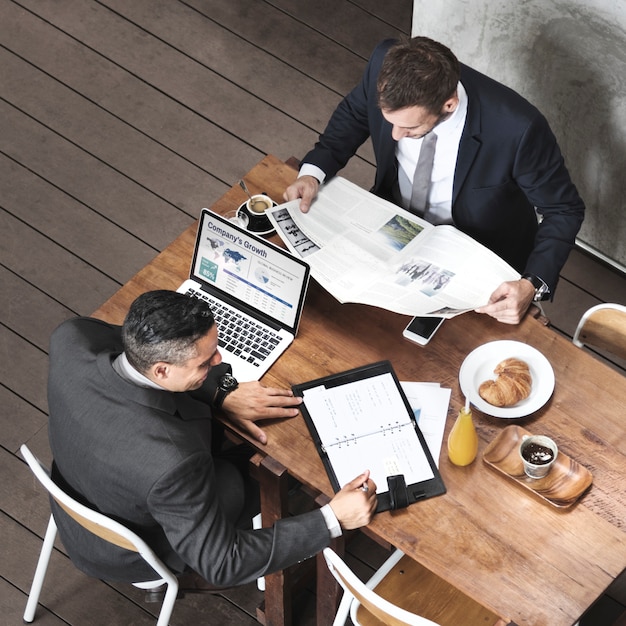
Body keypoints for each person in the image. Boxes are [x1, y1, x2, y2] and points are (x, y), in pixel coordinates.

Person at [47, 290, 376, 593]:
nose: (219, 361)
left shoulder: (72, 339)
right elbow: (223, 563)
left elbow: (130, 349)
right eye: (205, 362)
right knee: (255, 476)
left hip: (79, 491)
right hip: (132, 549)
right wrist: (332, 519)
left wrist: (220, 392)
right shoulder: (173, 464)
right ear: (162, 371)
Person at [284, 37, 585, 324]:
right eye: (390, 121)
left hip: (480, 255)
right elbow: (354, 114)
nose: (395, 136)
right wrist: (313, 172)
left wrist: (531, 284)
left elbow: (564, 209)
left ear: (449, 105)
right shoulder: (382, 63)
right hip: (394, 225)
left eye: (410, 128)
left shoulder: (518, 129)